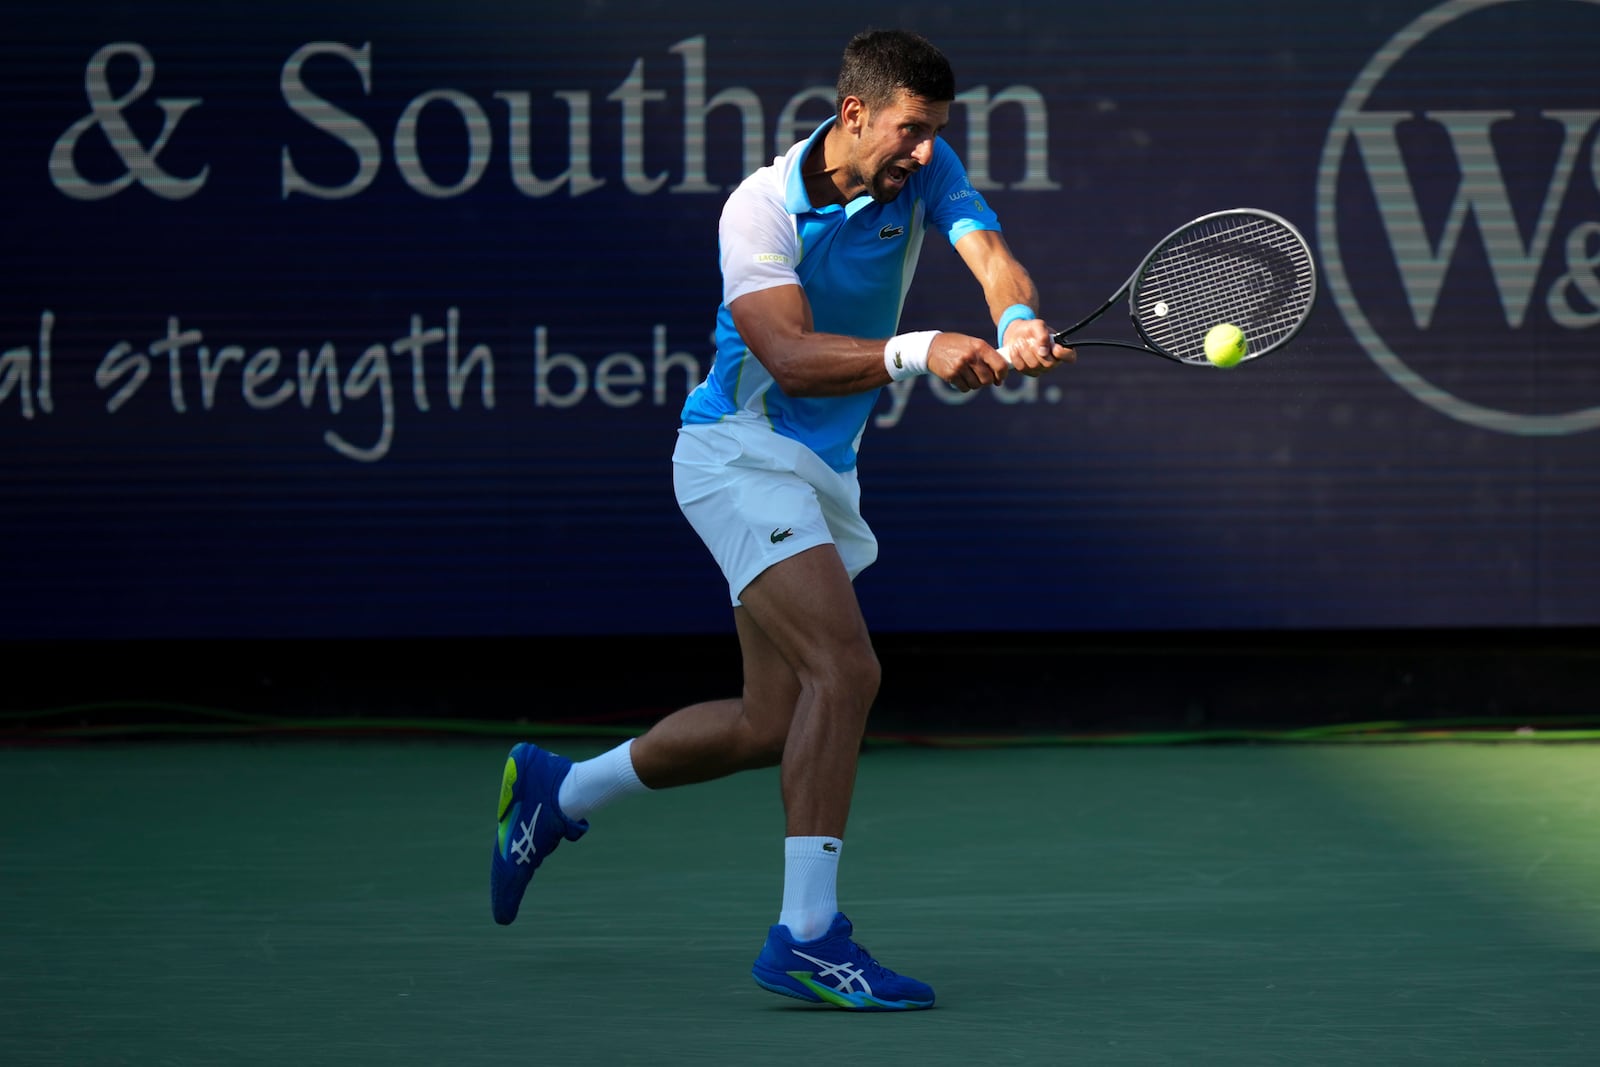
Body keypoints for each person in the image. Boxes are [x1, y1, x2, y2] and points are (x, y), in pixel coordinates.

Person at [489, 27, 1072, 1011]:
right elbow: (794, 356)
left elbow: (992, 256)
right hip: (737, 455)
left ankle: (560, 792)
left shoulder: (924, 171)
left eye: (933, 134)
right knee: (844, 669)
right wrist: (921, 347)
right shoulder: (759, 209)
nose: (923, 150)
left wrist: (1013, 320)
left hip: (818, 471)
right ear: (853, 116)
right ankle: (806, 935)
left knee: (771, 721)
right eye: (908, 131)